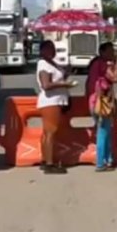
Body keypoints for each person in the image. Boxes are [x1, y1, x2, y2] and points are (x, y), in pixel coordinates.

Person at [36, 40, 75, 175]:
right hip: (50, 101)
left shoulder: (53, 63)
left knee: (49, 132)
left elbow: (58, 78)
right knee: (50, 132)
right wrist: (64, 85)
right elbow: (46, 85)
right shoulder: (43, 64)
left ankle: (46, 159)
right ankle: (49, 163)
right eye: (49, 48)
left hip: (57, 100)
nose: (53, 51)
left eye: (53, 48)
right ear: (42, 50)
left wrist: (66, 73)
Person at [86, 42, 117, 172]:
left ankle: (108, 159)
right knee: (103, 132)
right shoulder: (101, 64)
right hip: (101, 102)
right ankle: (101, 162)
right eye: (111, 51)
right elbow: (115, 78)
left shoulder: (95, 64)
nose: (113, 53)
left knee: (104, 130)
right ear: (103, 52)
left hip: (94, 100)